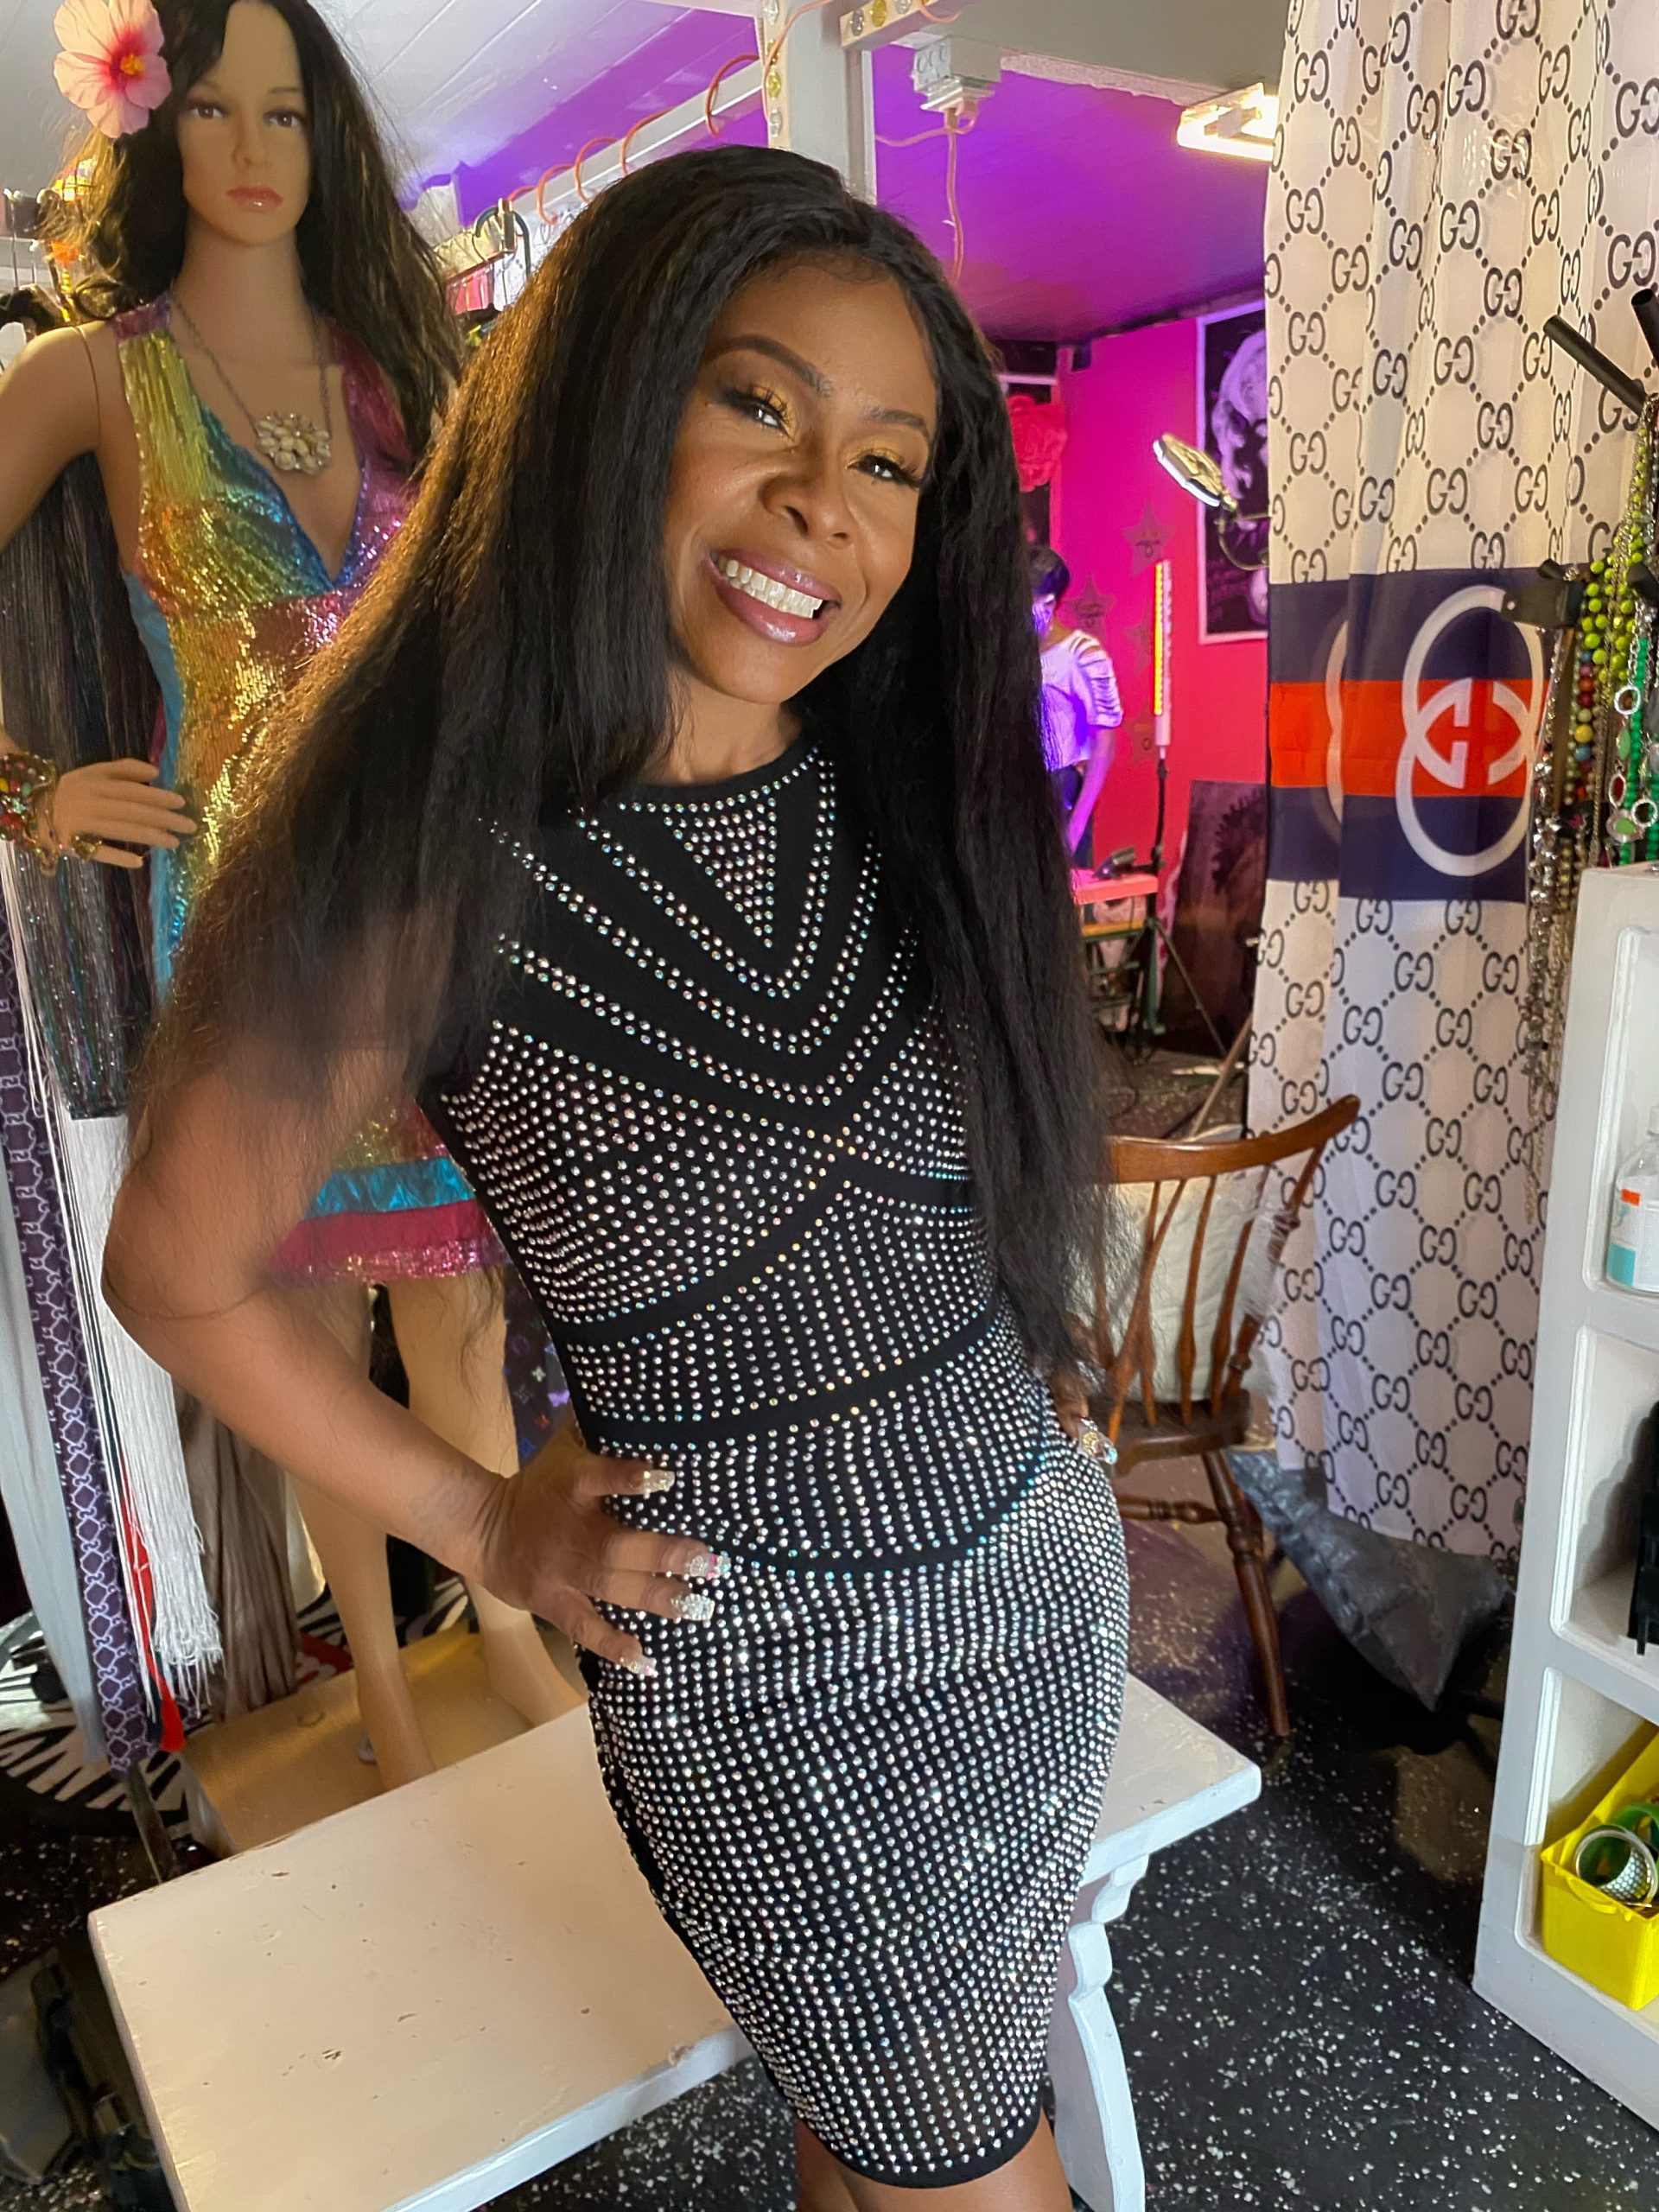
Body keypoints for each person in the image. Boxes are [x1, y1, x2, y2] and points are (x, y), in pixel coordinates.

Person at [106, 147, 1129, 2211]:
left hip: (1041, 1595)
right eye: (757, 403)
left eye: (889, 460)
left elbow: (948, 1190)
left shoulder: (900, 784)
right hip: (779, 1689)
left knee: (887, 2137)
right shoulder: (424, 866)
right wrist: (487, 1517)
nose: (824, 503)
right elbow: (176, 1267)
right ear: (604, 402)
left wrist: (1026, 1367)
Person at [0, 0, 568, 1768]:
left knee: (461, 1301)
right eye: (214, 110)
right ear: (151, 132)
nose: (252, 150)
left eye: (287, 113)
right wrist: (29, 794)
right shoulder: (94, 378)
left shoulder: (401, 365)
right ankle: (381, 1689)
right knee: (311, 1321)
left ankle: (505, 1632)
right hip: (248, 930)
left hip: (429, 904)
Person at [1029, 543, 1122, 867]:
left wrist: (1076, 826)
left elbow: (1105, 743)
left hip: (1061, 788)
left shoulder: (1082, 653)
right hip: (1016, 788)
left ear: (1049, 603)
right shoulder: (1014, 657)